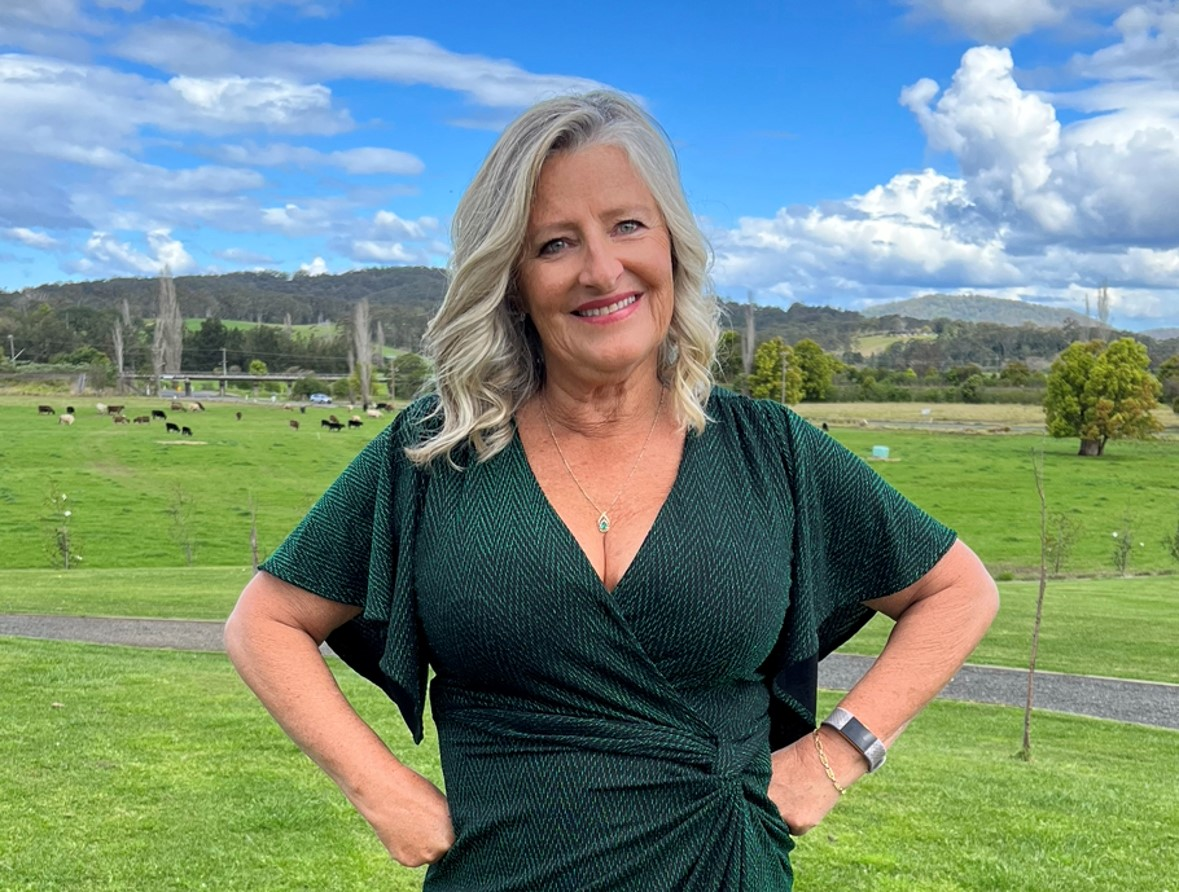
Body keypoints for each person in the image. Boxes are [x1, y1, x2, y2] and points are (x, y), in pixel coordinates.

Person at [225, 90, 999, 890]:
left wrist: (837, 752)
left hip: (723, 868)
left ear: (672, 245)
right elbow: (267, 622)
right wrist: (378, 787)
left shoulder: (769, 451)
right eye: (555, 243)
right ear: (513, 280)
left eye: (627, 225)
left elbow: (956, 590)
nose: (600, 270)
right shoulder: (437, 452)